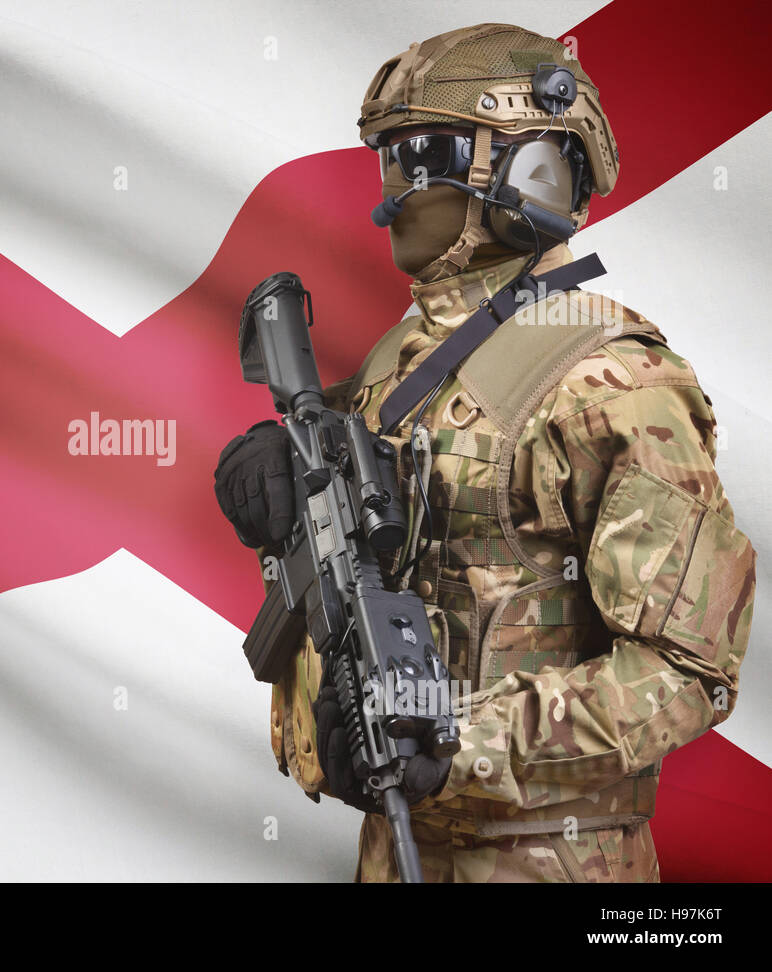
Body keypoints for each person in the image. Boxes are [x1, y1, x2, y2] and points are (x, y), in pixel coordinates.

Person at [213, 23, 756, 882]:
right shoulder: (409, 355)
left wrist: (458, 740)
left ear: (523, 169)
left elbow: (687, 669)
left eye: (419, 151)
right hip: (395, 849)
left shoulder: (613, 380)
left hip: (553, 864)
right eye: (390, 155)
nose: (394, 184)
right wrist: (274, 482)